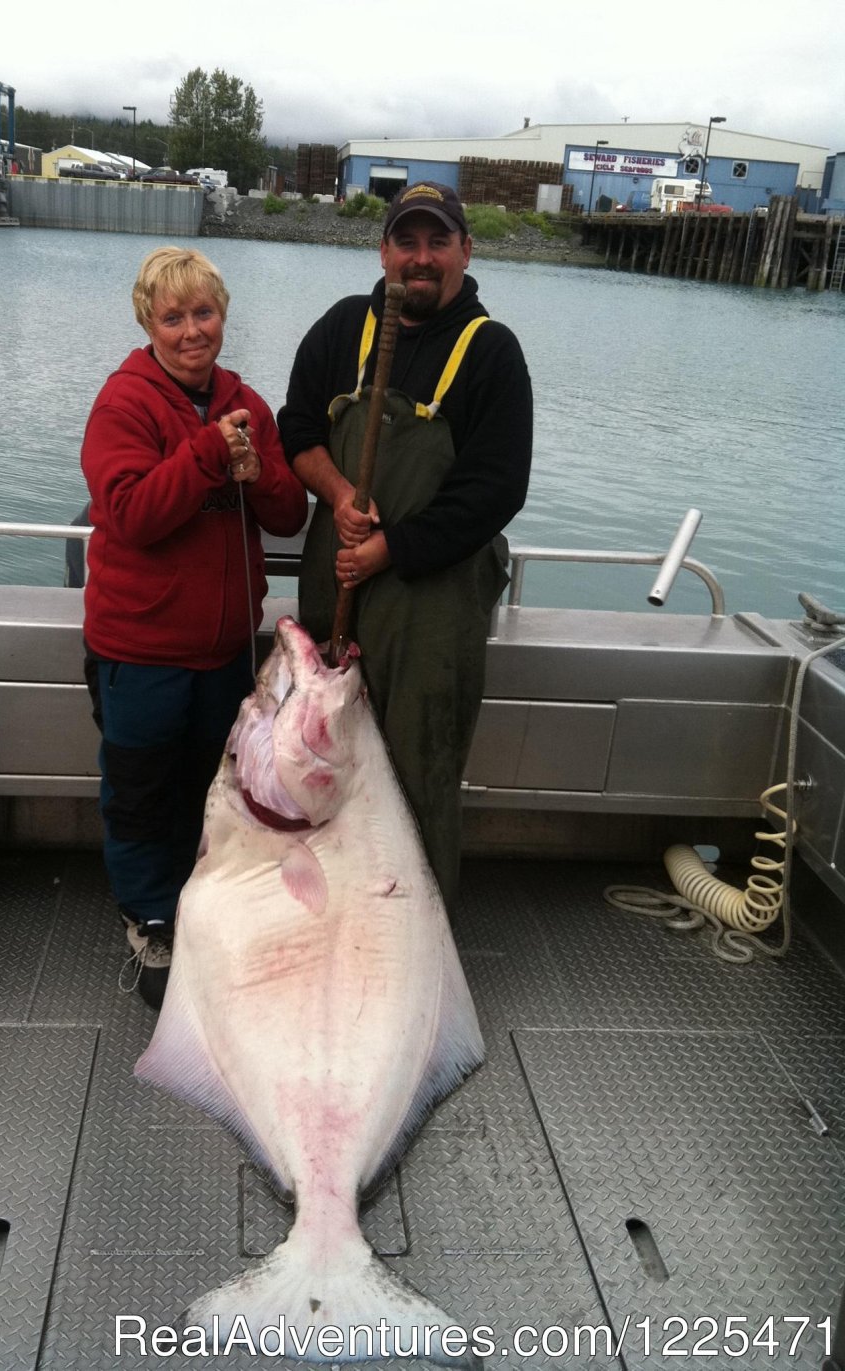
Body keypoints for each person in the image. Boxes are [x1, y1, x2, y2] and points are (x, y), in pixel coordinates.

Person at [278, 182, 533, 913]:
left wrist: (391, 548)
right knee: (321, 764)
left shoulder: (492, 354)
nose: (421, 259)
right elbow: (295, 428)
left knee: (417, 777)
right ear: (383, 248)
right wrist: (338, 492)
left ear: (465, 250)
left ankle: (415, 951)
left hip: (432, 604)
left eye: (438, 242)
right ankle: (328, 927)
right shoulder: (340, 330)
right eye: (407, 242)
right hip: (338, 586)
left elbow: (494, 490)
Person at [81, 246, 307, 1008]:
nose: (190, 331)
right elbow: (131, 515)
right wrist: (210, 455)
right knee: (142, 792)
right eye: (172, 317)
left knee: (218, 792)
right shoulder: (125, 403)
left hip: (224, 652)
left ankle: (205, 905)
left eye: (202, 313)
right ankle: (151, 919)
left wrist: (259, 472)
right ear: (147, 321)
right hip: (139, 650)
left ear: (223, 315)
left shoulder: (248, 402)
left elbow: (288, 514)